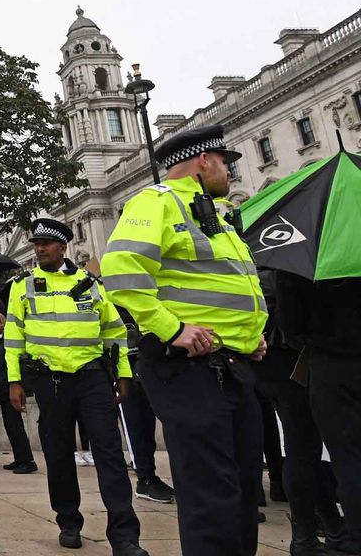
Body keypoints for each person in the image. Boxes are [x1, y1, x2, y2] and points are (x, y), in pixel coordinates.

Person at [101, 124, 267, 556]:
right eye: (225, 163)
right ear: (203, 161)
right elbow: (120, 269)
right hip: (190, 370)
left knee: (246, 488)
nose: (230, 172)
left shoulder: (221, 215)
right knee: (212, 494)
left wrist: (250, 336)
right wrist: (171, 329)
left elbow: (228, 288)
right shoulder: (157, 201)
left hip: (234, 366)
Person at [5, 218, 146, 555]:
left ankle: (125, 537)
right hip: (50, 380)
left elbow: (114, 332)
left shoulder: (91, 284)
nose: (39, 250)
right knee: (58, 455)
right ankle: (68, 520)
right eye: (36, 244)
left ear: (63, 248)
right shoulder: (22, 286)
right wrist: (14, 381)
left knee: (110, 454)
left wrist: (123, 373)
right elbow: (13, 338)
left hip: (93, 378)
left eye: (46, 244)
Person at [255, 270, 348, 555]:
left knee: (304, 445)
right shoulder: (286, 262)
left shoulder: (267, 255)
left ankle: (327, 527)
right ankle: (306, 535)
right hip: (286, 358)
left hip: (275, 358)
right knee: (302, 445)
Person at [274, 269, 361, 554]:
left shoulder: (306, 243)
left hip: (329, 361)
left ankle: (341, 537)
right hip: (330, 360)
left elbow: (290, 321)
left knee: (345, 459)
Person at [111, 307, 174, 503]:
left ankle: (150, 476)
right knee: (135, 422)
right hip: (126, 359)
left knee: (151, 421)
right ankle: (145, 478)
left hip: (150, 355)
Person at [0, 312, 36, 473]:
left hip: (8, 389)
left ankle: (27, 460)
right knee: (11, 426)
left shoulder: (7, 342)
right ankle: (20, 458)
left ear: (2, 323)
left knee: (16, 427)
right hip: (1, 390)